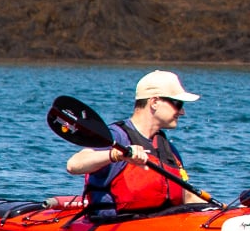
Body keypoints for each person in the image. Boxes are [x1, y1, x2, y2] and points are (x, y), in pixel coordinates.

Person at [66, 70, 201, 216]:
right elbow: (74, 165)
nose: (182, 112)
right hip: (115, 225)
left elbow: (187, 196)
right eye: (178, 104)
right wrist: (117, 154)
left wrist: (224, 214)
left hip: (161, 224)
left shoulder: (168, 149)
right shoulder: (116, 137)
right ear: (154, 102)